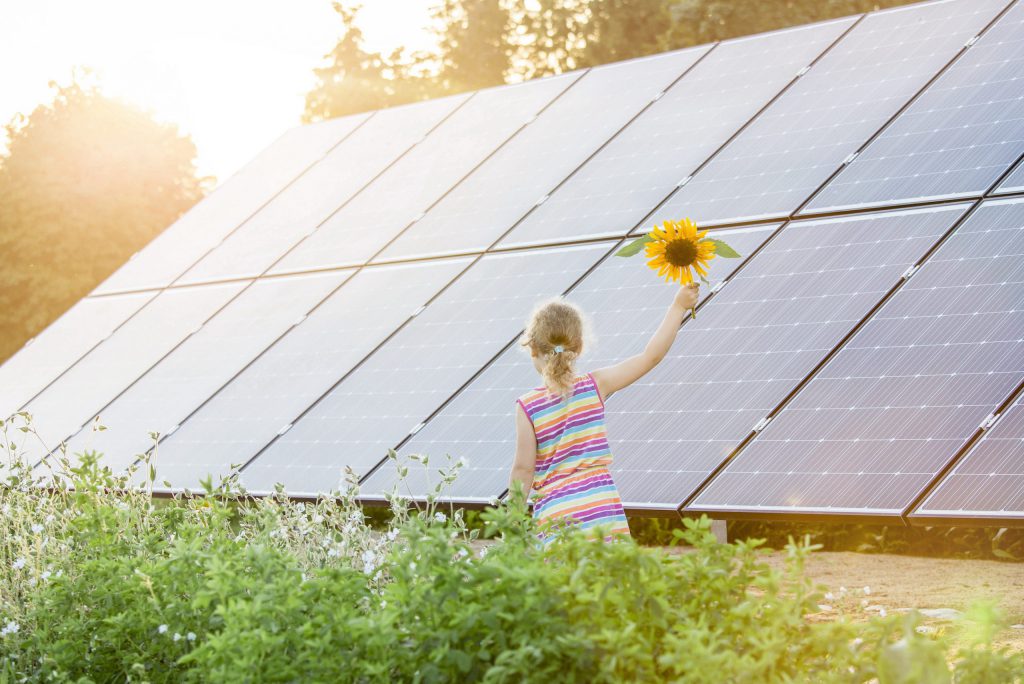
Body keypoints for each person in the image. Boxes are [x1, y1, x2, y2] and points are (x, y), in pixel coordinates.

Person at [509, 282, 701, 545]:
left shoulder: (527, 406)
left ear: (532, 348)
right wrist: (678, 305)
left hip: (557, 517)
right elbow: (650, 357)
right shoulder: (595, 385)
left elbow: (523, 469)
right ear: (579, 346)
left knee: (565, 585)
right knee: (610, 583)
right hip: (602, 511)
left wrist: (511, 526)